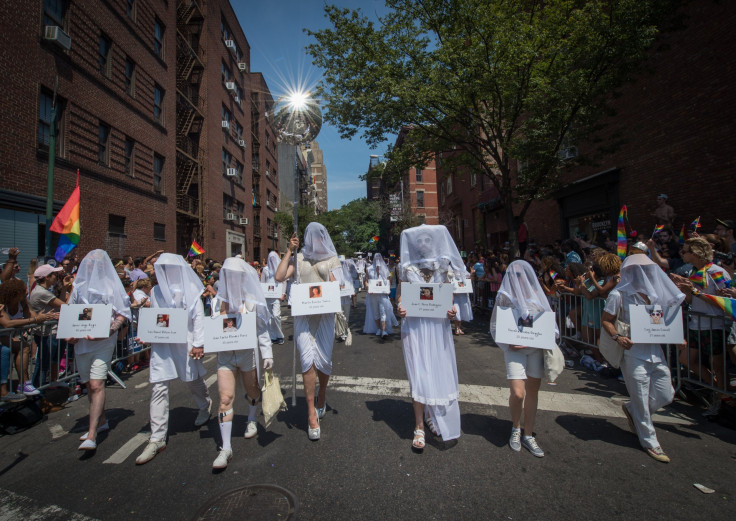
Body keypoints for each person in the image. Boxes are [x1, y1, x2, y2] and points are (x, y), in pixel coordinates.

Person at [601, 254, 685, 463]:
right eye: (639, 270)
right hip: (633, 353)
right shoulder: (619, 295)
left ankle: (633, 410)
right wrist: (617, 336)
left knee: (666, 394)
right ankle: (650, 441)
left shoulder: (657, 295)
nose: (645, 274)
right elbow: (606, 320)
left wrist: (676, 335)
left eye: (647, 270)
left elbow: (667, 320)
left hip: (656, 351)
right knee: (639, 395)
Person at [135, 253, 212, 465]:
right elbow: (155, 316)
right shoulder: (156, 291)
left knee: (192, 379)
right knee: (158, 386)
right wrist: (146, 333)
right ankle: (157, 437)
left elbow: (198, 318)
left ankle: (205, 405)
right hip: (163, 345)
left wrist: (199, 343)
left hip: (185, 343)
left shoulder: (192, 290)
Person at [396, 225, 461, 452]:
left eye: (427, 240)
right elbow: (400, 295)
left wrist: (452, 312)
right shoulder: (406, 268)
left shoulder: (443, 267)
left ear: (433, 243)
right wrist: (400, 308)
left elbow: (447, 297)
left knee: (435, 371)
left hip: (437, 327)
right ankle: (419, 425)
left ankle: (433, 414)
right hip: (414, 326)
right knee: (419, 374)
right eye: (419, 241)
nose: (423, 244)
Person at [275, 223, 341, 440]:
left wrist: (335, 283)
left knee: (324, 360)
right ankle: (311, 412)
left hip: (324, 317)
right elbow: (279, 276)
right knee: (307, 360)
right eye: (310, 236)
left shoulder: (332, 259)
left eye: (319, 235)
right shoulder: (299, 257)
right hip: (304, 316)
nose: (315, 239)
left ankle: (322, 393)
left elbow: (338, 286)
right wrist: (288, 251)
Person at [212, 257, 274, 469]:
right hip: (225, 355)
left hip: (248, 354)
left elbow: (262, 329)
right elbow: (212, 327)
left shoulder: (252, 301)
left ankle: (251, 417)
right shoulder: (217, 301)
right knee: (225, 397)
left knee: (252, 391)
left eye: (236, 276)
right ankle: (226, 448)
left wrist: (267, 354)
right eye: (228, 276)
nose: (231, 280)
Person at [66, 250, 131, 451]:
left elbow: (123, 313)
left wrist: (109, 329)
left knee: (96, 384)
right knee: (88, 384)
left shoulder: (112, 287)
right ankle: (102, 420)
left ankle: (92, 434)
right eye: (90, 263)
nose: (93, 266)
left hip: (103, 342)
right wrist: (69, 333)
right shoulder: (78, 287)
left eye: (97, 263)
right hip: (82, 343)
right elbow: (70, 311)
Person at [491, 260, 556, 458]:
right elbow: (495, 325)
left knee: (533, 392)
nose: (516, 279)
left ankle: (528, 433)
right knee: (518, 393)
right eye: (512, 275)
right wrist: (507, 343)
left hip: (535, 350)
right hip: (514, 350)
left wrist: (544, 338)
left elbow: (550, 325)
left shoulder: (538, 296)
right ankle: (515, 428)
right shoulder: (504, 296)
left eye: (520, 275)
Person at [670, 237, 731, 416]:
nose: (682, 254)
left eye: (686, 251)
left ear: (696, 253)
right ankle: (718, 391)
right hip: (697, 324)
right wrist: (686, 290)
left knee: (718, 364)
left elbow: (725, 302)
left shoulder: (717, 272)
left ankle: (724, 400)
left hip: (715, 324)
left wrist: (694, 290)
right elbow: (691, 300)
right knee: (686, 359)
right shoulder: (694, 273)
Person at [364, 253, 398, 339]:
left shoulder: (385, 269)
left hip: (383, 294)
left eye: (379, 258)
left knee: (383, 311)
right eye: (376, 258)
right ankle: (378, 328)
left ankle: (384, 330)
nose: (377, 260)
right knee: (376, 312)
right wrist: (368, 287)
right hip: (373, 294)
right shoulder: (369, 269)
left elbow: (389, 280)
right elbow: (366, 280)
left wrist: (388, 289)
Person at [260, 251, 285, 344]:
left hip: (276, 296)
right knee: (269, 317)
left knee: (276, 316)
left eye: (274, 258)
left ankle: (280, 335)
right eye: (270, 258)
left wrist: (283, 293)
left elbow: (284, 281)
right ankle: (272, 336)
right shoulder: (265, 270)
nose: (272, 260)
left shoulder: (280, 269)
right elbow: (262, 283)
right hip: (267, 296)